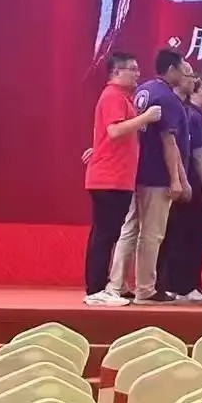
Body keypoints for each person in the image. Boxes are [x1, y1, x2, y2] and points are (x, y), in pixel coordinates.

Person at [106, 50, 190, 304]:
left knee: (129, 229)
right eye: (183, 70)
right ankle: (145, 288)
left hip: (135, 171)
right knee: (152, 233)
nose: (186, 76)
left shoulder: (143, 91)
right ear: (172, 70)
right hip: (156, 176)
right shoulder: (167, 98)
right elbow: (169, 141)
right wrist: (175, 179)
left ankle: (116, 284)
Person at [83, 52, 160, 306]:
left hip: (119, 177)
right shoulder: (113, 96)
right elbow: (115, 130)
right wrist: (145, 118)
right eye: (132, 69)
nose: (138, 73)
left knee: (111, 233)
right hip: (109, 178)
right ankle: (96, 290)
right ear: (117, 72)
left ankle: (109, 286)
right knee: (104, 235)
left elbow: (107, 135)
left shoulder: (123, 98)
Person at [159, 65, 202, 302]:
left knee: (187, 236)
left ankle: (183, 284)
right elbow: (197, 153)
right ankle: (180, 285)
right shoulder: (189, 114)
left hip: (187, 181)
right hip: (189, 182)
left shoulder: (193, 114)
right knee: (184, 236)